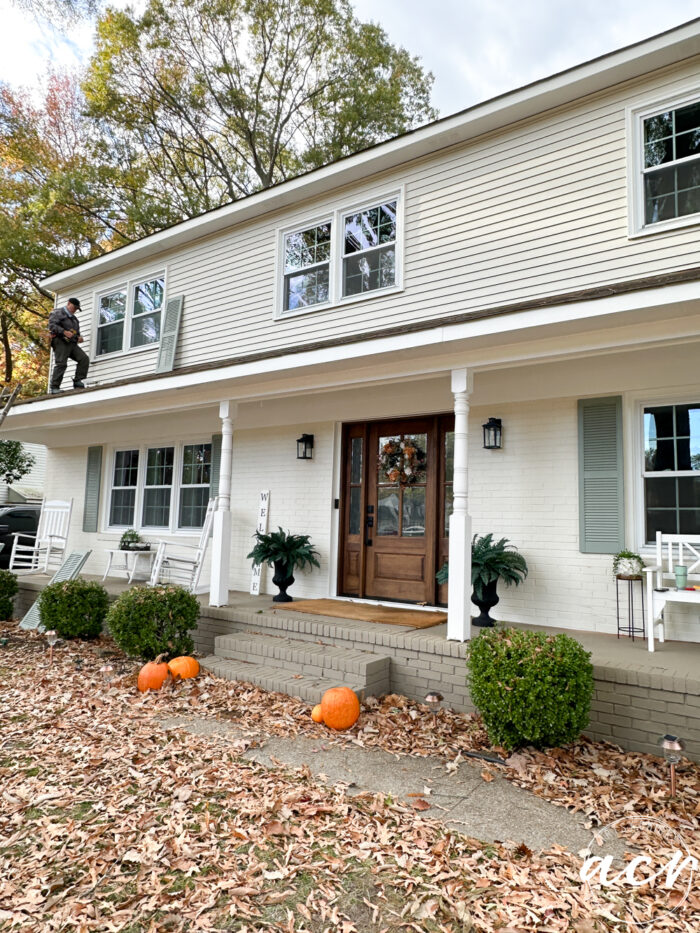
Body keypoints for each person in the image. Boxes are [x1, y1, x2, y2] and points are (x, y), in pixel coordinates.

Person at [48, 298, 89, 394]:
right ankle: (54, 387)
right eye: (74, 307)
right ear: (68, 303)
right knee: (61, 363)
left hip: (71, 344)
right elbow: (52, 326)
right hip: (60, 341)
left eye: (76, 309)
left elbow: (76, 333)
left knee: (84, 359)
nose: (74, 310)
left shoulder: (75, 320)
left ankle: (78, 381)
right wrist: (64, 332)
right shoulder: (57, 313)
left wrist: (79, 338)